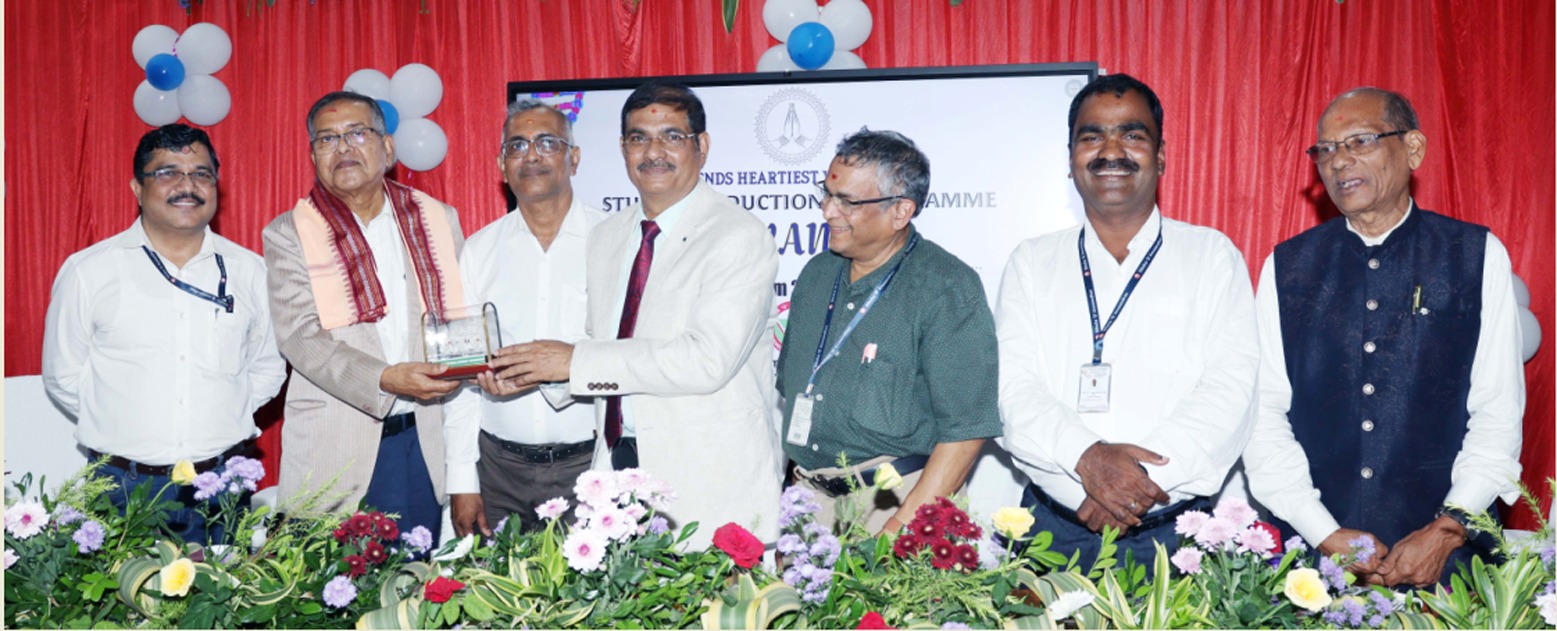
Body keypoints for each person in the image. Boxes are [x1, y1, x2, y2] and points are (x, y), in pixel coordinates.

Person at [482, 81, 783, 549]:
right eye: (639, 138)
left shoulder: (737, 235)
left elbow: (706, 361)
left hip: (706, 473)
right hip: (617, 471)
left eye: (672, 136)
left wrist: (572, 361)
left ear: (702, 147)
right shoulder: (608, 236)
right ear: (622, 149)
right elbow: (605, 347)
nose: (653, 152)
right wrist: (533, 374)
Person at [1242, 87, 1524, 587]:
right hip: (1314, 561)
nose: (1338, 161)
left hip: (1451, 558)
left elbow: (1498, 412)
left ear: (1413, 148)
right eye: (1326, 149)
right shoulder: (1287, 267)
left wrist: (1448, 528)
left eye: (1360, 141)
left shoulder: (1474, 254)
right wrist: (1322, 531)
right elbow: (1262, 416)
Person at [996, 73, 1259, 566]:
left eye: (1132, 135)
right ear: (1070, 157)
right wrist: (1088, 459)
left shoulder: (1210, 256)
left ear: (1161, 156)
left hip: (1173, 538)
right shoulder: (1032, 261)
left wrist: (1132, 486)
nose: (1111, 151)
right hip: (1052, 530)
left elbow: (1231, 388)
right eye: (1092, 136)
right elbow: (1012, 388)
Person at [42, 123, 287, 544]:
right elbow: (63, 376)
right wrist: (124, 423)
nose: (187, 186)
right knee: (115, 589)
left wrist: (221, 412)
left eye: (201, 174)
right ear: (137, 188)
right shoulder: (90, 271)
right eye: (168, 173)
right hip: (121, 485)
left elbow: (268, 367)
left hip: (220, 485)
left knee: (225, 586)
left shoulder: (250, 271)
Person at [775, 129, 1002, 535]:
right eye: (826, 195)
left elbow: (965, 433)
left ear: (900, 211)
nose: (828, 212)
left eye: (847, 202)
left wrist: (903, 527)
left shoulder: (946, 287)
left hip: (896, 503)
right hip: (808, 503)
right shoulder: (816, 275)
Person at [264, 92, 467, 537]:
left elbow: (461, 322)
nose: (342, 148)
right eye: (327, 139)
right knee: (323, 580)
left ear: (387, 148)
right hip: (332, 451)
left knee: (416, 578)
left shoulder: (435, 219)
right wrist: (383, 378)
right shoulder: (289, 233)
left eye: (357, 134)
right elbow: (299, 337)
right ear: (313, 156)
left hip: (422, 442)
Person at [443, 99, 605, 537]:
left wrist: (558, 368)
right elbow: (461, 371)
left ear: (574, 157)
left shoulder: (612, 239)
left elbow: (629, 354)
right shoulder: (479, 250)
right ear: (502, 165)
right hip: (498, 470)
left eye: (547, 143)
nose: (531, 155)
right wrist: (462, 479)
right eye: (517, 145)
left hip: (590, 466)